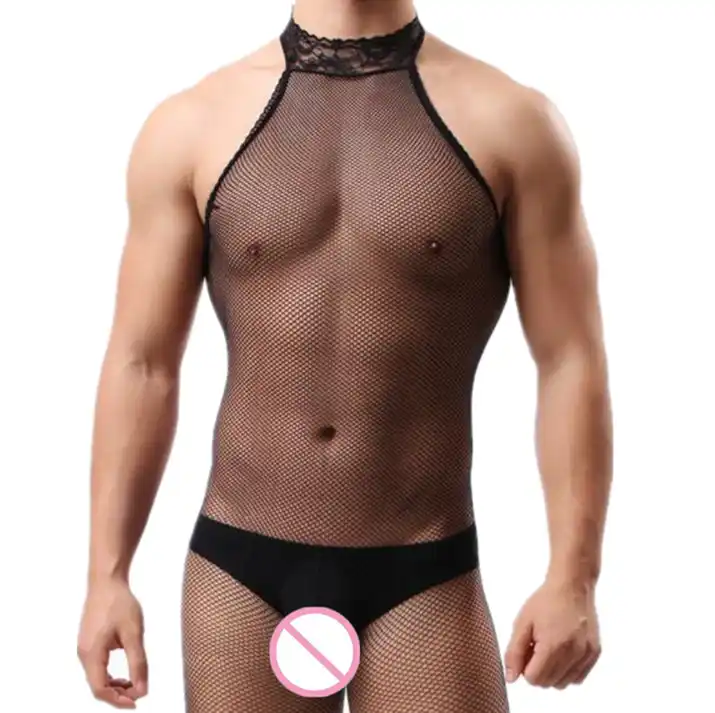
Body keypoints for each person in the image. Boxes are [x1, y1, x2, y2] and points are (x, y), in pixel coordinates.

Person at [77, 0, 613, 710]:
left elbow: (569, 357)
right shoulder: (193, 124)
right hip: (240, 568)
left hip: (423, 567)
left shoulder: (510, 121)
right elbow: (142, 362)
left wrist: (574, 576)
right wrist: (107, 575)